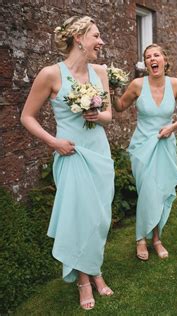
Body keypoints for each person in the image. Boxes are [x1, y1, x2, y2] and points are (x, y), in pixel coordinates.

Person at [20, 16, 115, 310]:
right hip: (70, 153)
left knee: (99, 218)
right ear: (78, 38)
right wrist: (54, 143)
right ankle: (84, 280)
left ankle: (95, 268)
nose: (101, 42)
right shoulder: (50, 74)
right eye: (96, 36)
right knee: (79, 218)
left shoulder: (100, 71)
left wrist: (96, 115)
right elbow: (26, 116)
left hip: (99, 152)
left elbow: (109, 116)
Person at [112, 44, 177, 261]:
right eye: (148, 57)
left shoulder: (175, 84)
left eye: (156, 55)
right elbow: (120, 106)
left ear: (165, 59)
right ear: (145, 63)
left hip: (166, 146)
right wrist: (111, 89)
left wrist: (172, 128)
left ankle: (156, 239)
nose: (152, 59)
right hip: (142, 147)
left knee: (161, 191)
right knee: (148, 191)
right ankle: (141, 239)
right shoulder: (138, 85)